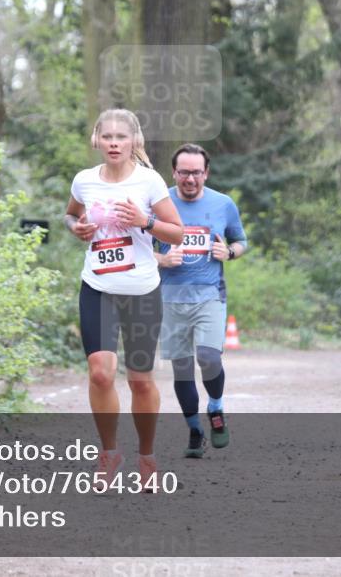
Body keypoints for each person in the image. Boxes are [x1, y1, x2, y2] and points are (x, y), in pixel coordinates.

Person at [65, 109, 183, 490]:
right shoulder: (84, 181)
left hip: (141, 292)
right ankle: (109, 452)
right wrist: (77, 228)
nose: (114, 143)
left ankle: (146, 456)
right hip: (98, 287)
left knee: (140, 381)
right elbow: (70, 215)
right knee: (100, 373)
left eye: (121, 137)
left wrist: (144, 221)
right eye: (107, 137)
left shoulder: (149, 182)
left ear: (135, 141)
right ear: (96, 140)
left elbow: (178, 233)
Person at [154, 144, 248, 458]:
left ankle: (216, 408)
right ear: (174, 173)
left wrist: (229, 252)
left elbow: (241, 240)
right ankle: (195, 430)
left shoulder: (223, 204)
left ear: (206, 173)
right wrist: (161, 259)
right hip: (170, 299)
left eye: (196, 172)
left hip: (210, 295)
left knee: (208, 357)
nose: (190, 179)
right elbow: (137, 249)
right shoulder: (159, 204)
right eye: (184, 172)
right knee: (182, 368)